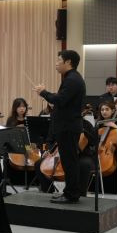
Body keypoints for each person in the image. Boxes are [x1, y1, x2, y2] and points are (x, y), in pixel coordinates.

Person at [34, 50, 86, 204]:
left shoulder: (72, 79)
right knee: (68, 161)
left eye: (59, 60)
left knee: (70, 162)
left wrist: (43, 92)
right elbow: (63, 101)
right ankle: (70, 192)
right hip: (67, 126)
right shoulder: (72, 78)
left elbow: (60, 99)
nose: (56, 63)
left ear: (68, 62)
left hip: (68, 127)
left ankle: (71, 194)